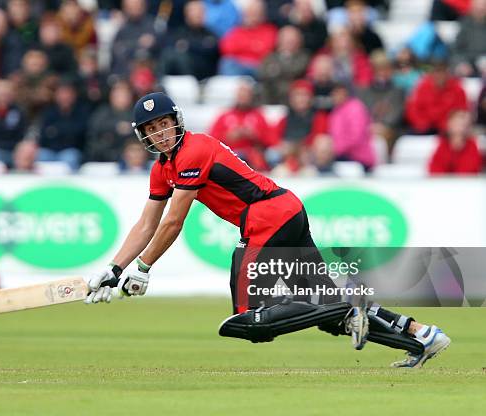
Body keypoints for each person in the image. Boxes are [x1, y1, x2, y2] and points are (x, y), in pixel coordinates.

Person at [82, 91, 451, 368]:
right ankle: (420, 337)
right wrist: (114, 269)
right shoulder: (162, 168)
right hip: (285, 212)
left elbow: (174, 221)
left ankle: (345, 303)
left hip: (269, 218)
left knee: (247, 321)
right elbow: (147, 222)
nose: (160, 133)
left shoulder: (193, 151)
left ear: (176, 121)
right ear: (142, 135)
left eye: (163, 123)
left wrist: (143, 269)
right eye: (151, 128)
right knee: (327, 314)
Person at [218, 0, 277, 77]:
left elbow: (266, 50)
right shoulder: (236, 30)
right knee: (226, 63)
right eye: (250, 12)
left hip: (258, 65)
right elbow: (226, 49)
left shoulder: (269, 30)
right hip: (239, 65)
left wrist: (242, 46)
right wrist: (253, 45)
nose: (253, 15)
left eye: (256, 12)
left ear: (263, 14)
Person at [428, 109, 482, 174]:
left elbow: (470, 170)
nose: (460, 128)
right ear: (449, 124)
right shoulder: (443, 144)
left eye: (463, 124)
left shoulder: (472, 145)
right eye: (457, 124)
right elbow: (434, 169)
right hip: (443, 182)